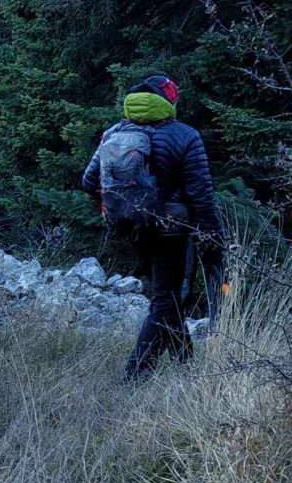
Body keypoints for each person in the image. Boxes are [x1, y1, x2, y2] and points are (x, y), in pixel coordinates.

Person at [82, 74, 224, 380]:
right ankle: (135, 375)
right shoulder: (185, 135)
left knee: (167, 297)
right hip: (172, 230)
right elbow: (200, 193)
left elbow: (88, 181)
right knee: (166, 300)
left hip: (134, 229)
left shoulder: (115, 131)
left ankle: (186, 365)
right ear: (169, 100)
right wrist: (213, 234)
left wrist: (127, 204)